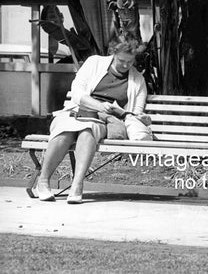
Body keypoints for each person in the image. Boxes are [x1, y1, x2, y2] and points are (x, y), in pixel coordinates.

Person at [36, 35, 152, 204]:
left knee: (88, 130)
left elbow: (134, 113)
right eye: (121, 61)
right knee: (66, 130)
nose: (126, 65)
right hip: (77, 111)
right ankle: (43, 181)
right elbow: (77, 93)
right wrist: (98, 105)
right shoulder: (94, 63)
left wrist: (141, 118)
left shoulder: (138, 80)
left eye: (130, 61)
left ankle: (77, 185)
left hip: (105, 120)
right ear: (112, 53)